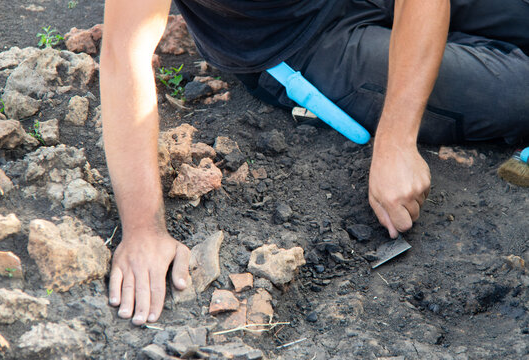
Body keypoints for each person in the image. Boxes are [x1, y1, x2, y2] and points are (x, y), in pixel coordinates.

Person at [100, 0, 529, 325]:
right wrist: (142, 229)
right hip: (301, 43)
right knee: (515, 93)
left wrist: (397, 134)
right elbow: (125, 51)